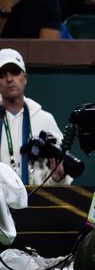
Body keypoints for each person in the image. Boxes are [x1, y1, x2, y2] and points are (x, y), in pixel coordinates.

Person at [0, 49, 70, 186]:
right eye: (2, 75)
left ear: (25, 78)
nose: (9, 79)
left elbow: (60, 178)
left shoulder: (44, 119)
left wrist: (57, 179)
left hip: (37, 202)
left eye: (14, 72)